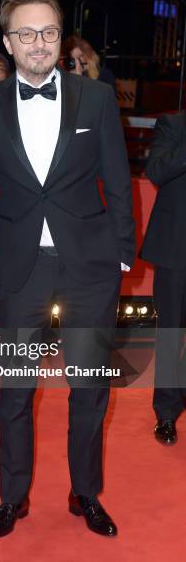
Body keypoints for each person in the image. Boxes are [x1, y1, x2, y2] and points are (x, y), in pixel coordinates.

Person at [0, 0, 135, 539]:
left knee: (89, 388)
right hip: (18, 270)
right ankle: (12, 497)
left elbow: (117, 179)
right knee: (15, 391)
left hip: (90, 267)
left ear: (60, 39)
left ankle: (85, 492)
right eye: (25, 33)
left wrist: (122, 253)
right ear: (8, 42)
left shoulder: (96, 98)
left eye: (47, 32)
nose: (37, 43)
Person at [140, 112, 186, 445]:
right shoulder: (174, 125)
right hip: (176, 249)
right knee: (172, 332)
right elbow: (155, 172)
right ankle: (167, 412)